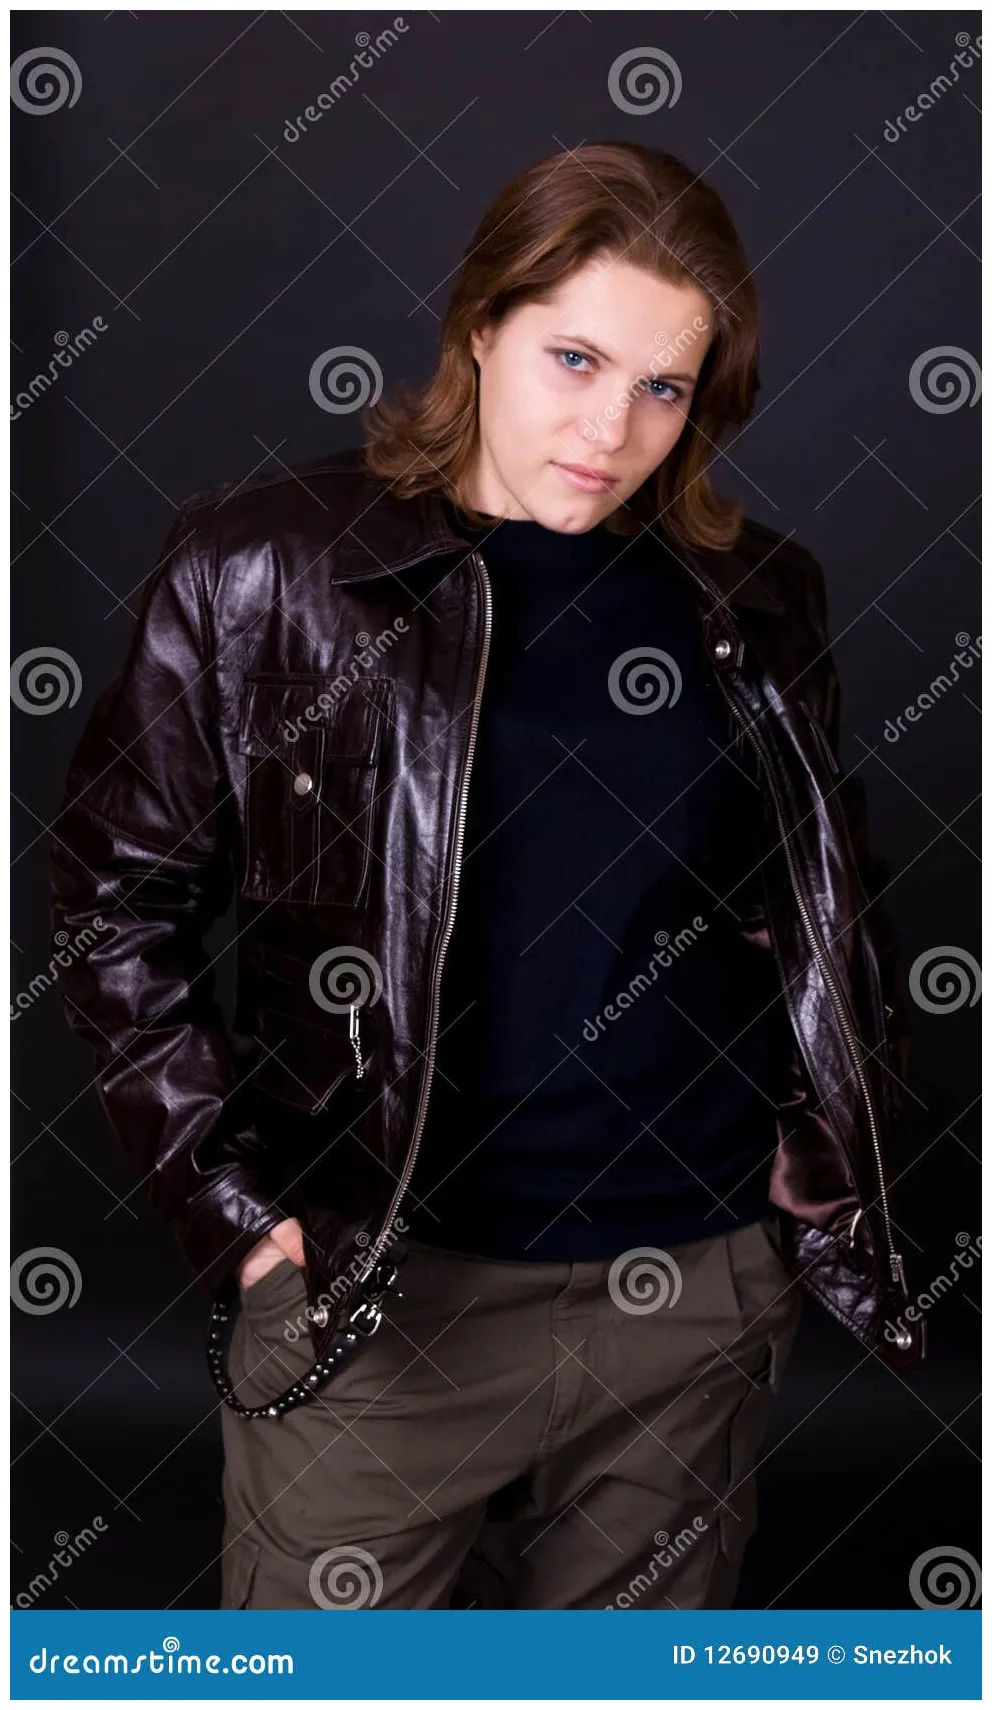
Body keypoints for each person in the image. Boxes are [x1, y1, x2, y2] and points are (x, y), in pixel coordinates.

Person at [49, 141, 923, 1613]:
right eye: (573, 358)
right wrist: (235, 1205)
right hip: (384, 1300)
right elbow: (110, 904)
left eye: (665, 388)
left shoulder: (758, 595)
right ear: (479, 327)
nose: (612, 427)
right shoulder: (260, 567)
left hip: (689, 1291)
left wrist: (799, 1173)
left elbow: (821, 902)